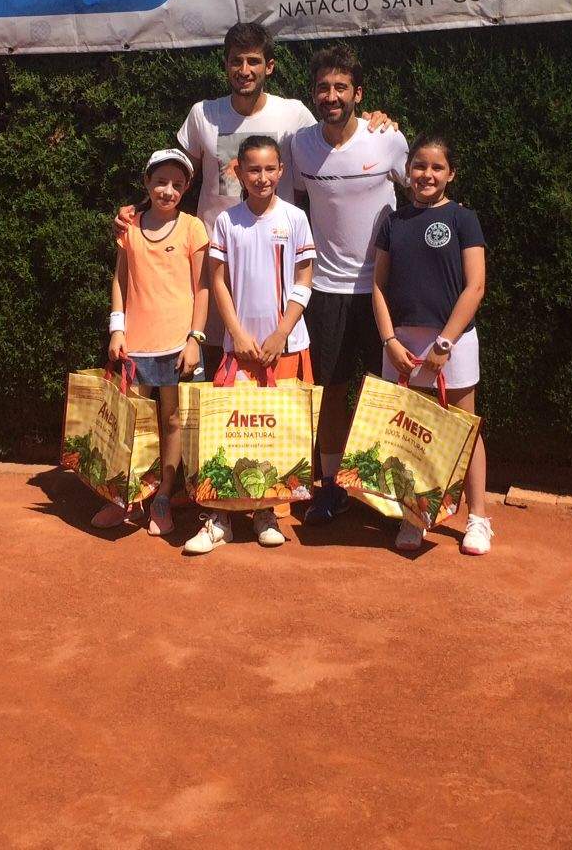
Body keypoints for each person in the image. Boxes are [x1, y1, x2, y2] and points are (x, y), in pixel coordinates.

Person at [118, 21, 395, 373]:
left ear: (269, 67)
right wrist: (140, 209)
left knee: (277, 363)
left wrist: (373, 118)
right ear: (226, 65)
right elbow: (174, 176)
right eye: (236, 62)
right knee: (216, 357)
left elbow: (334, 132)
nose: (244, 71)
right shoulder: (203, 114)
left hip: (275, 266)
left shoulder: (293, 114)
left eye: (253, 62)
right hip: (214, 260)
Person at [287, 43, 408, 524]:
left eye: (341, 87)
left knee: (389, 392)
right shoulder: (300, 145)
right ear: (314, 93)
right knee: (333, 391)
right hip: (327, 290)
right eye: (323, 87)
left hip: (383, 292)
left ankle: (387, 488)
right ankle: (333, 486)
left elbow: (423, 193)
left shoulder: (388, 140)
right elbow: (295, 206)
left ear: (358, 93)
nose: (331, 95)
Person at [186, 134, 315, 554]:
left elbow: (304, 280)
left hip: (288, 345)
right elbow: (218, 281)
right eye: (253, 169)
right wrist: (236, 334)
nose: (262, 177)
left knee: (273, 434)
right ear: (237, 172)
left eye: (269, 169)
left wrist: (280, 333)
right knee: (231, 432)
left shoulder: (295, 218)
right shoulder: (226, 221)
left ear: (281, 171)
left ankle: (266, 513)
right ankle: (220, 518)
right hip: (238, 350)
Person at [371, 135, 492, 555]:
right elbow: (378, 287)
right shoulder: (393, 221)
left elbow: (474, 287)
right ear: (408, 172)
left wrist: (445, 342)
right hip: (401, 345)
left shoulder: (463, 219)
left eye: (437, 167)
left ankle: (477, 518)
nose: (427, 174)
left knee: (465, 430)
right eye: (420, 166)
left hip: (452, 342)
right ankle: (413, 515)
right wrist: (388, 339)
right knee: (408, 433)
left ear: (451, 174)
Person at [95, 149, 209, 536]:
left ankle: (162, 497)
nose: (168, 190)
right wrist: (117, 329)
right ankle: (128, 498)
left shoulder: (194, 228)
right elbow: (119, 280)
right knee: (136, 424)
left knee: (173, 420)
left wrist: (195, 338)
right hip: (136, 345)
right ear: (146, 183)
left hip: (178, 345)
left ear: (187, 189)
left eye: (177, 185)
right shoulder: (128, 227)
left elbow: (203, 288)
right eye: (161, 181)